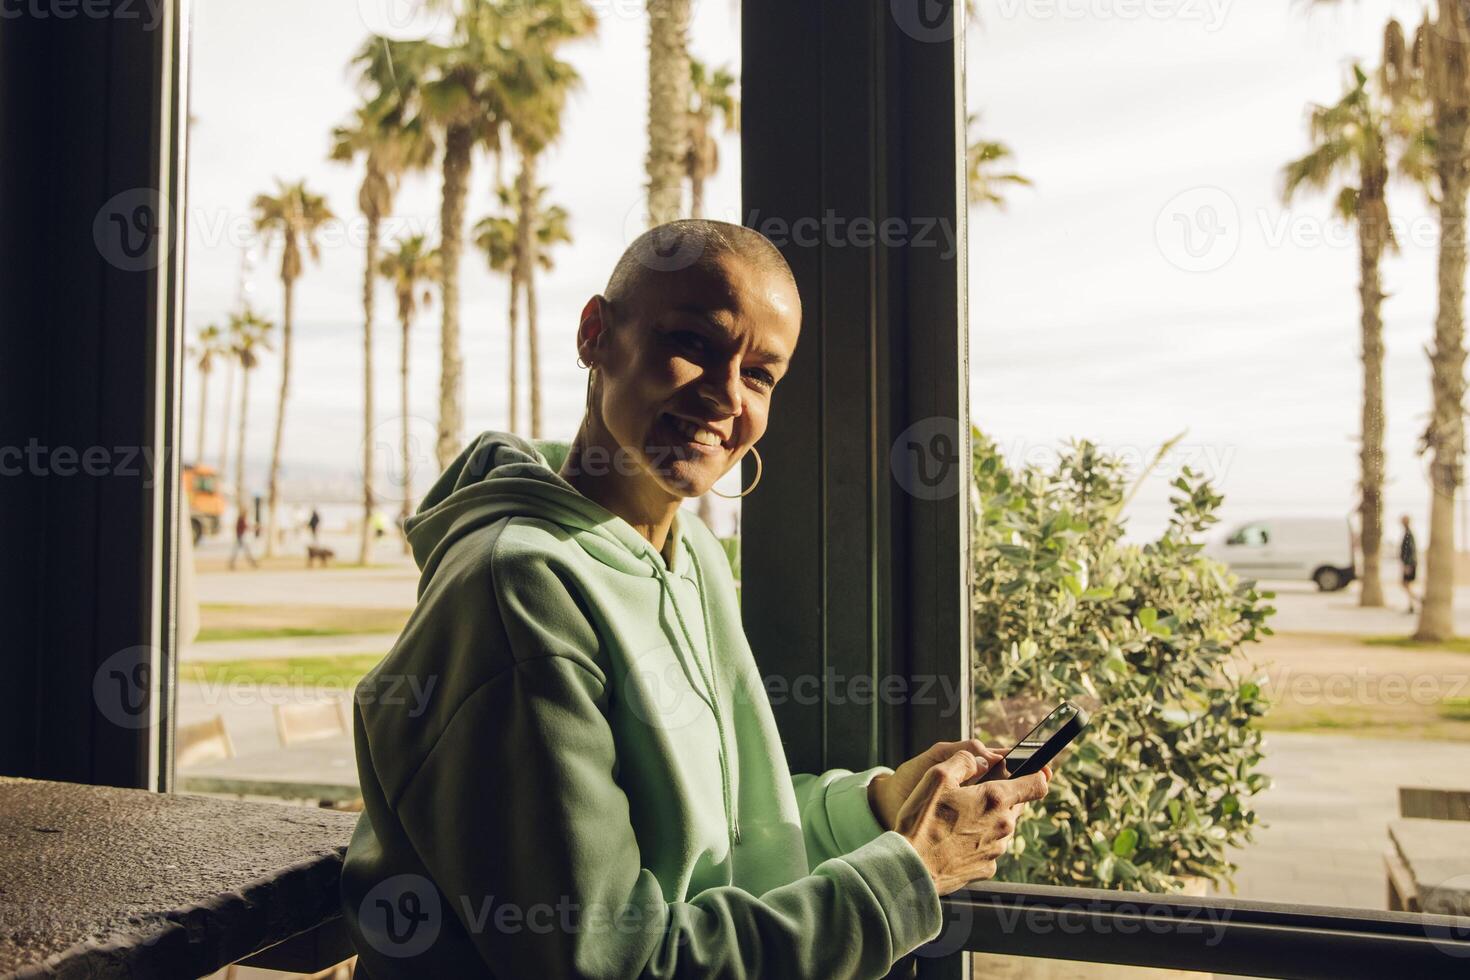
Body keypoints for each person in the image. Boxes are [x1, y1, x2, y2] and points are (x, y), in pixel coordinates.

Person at [340, 221, 1051, 978]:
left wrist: (881, 806)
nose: (724, 395)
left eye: (760, 375)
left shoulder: (694, 557)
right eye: (694, 344)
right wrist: (910, 876)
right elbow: (618, 961)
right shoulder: (515, 591)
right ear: (595, 335)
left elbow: (732, 840)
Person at [1400, 514, 1418, 615]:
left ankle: (1417, 601)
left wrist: (1408, 565)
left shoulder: (1408, 534)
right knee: (1406, 584)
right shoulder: (1407, 533)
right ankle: (1412, 604)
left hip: (1410, 564)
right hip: (1409, 564)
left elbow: (1409, 551)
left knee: (1406, 584)